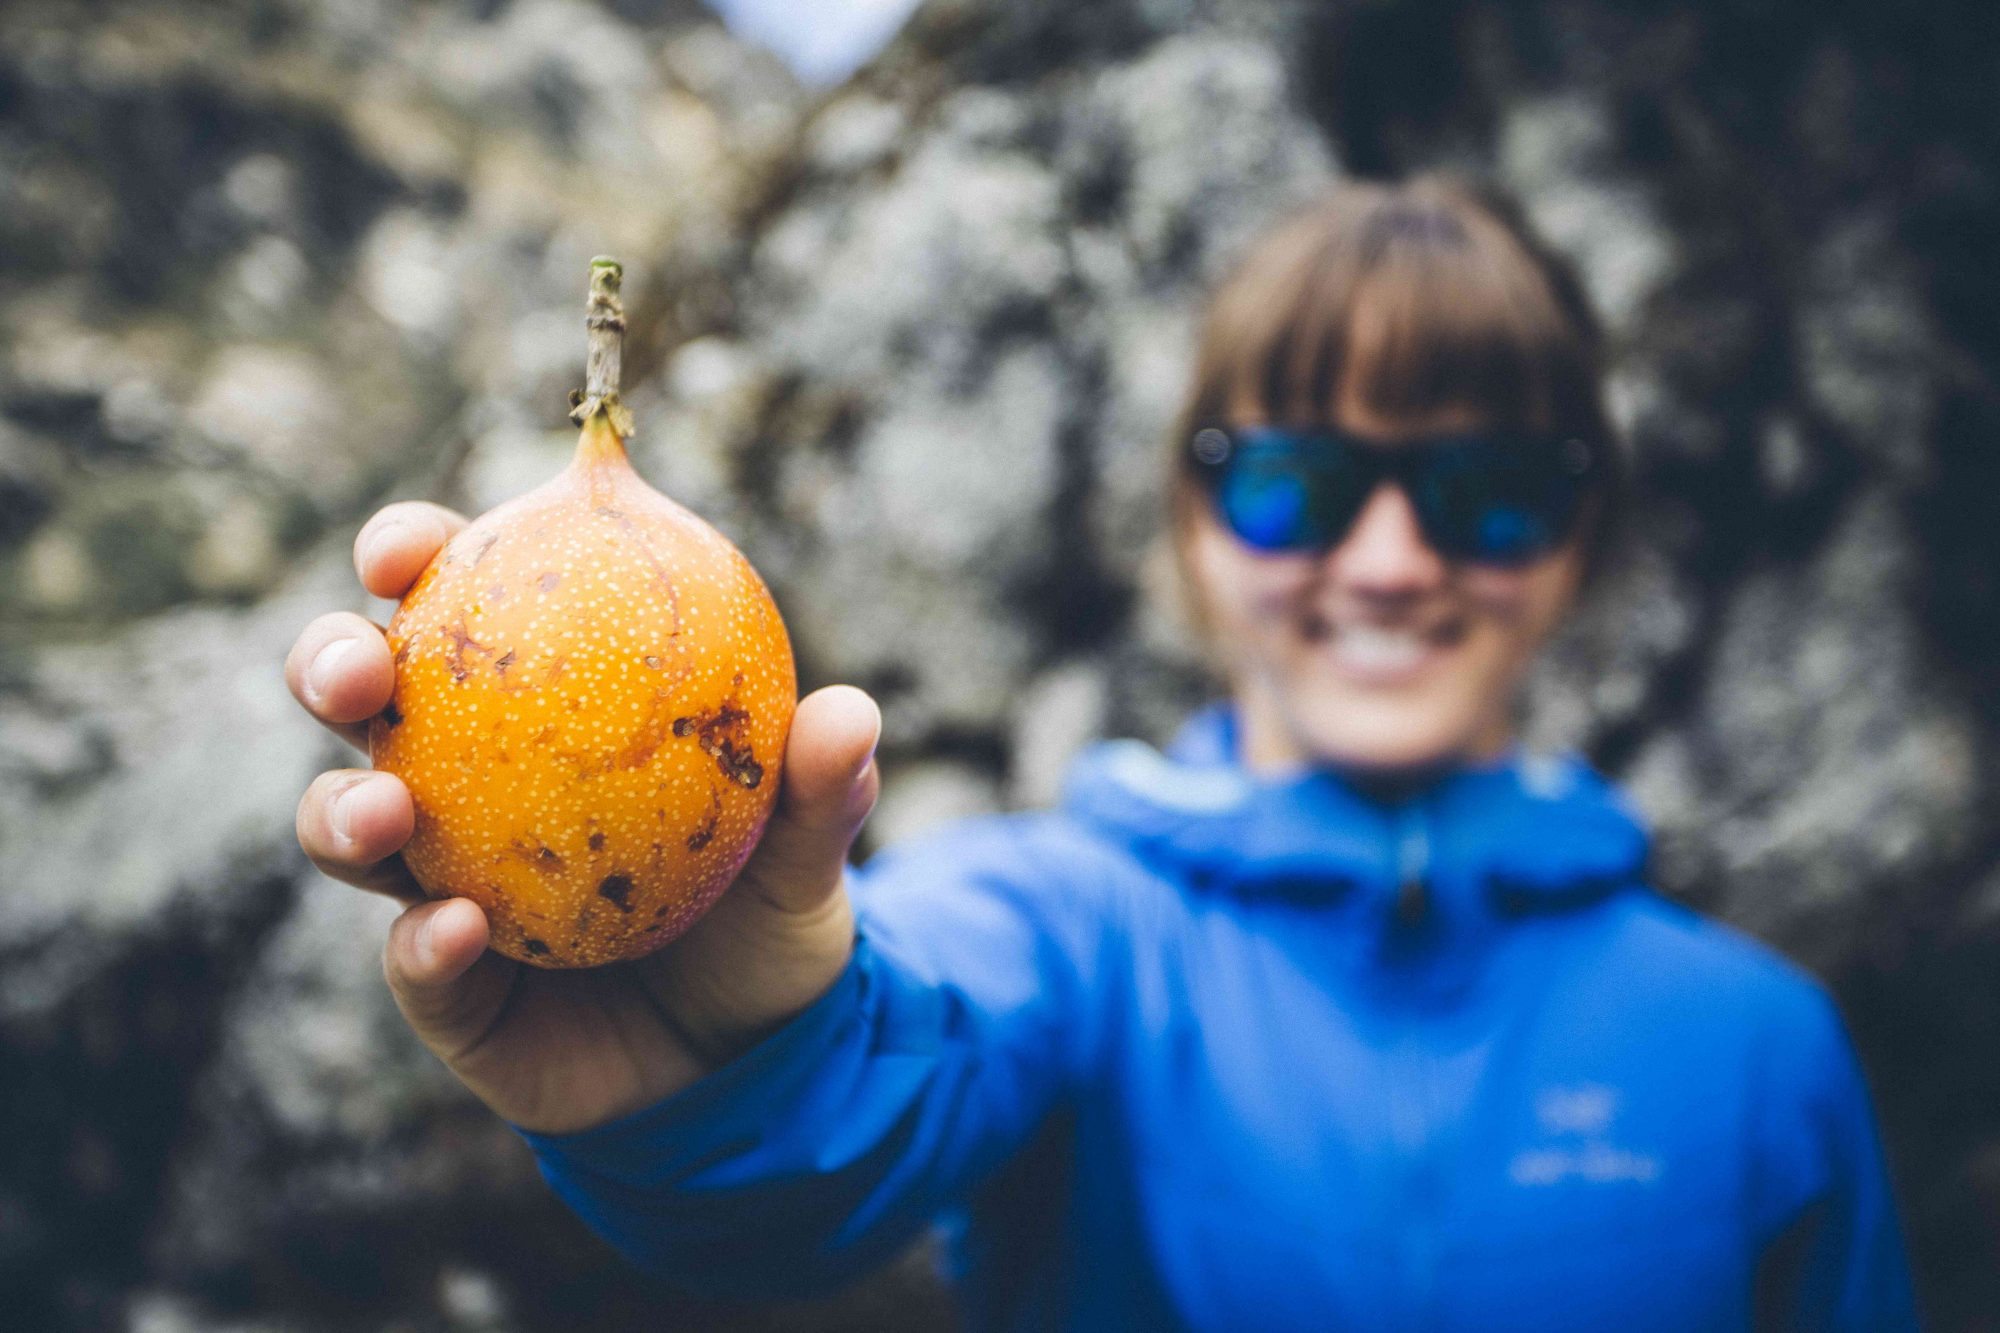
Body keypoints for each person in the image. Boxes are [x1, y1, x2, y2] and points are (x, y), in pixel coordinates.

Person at [285, 177, 1918, 1331]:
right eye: (1295, 484)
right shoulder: (1077, 932)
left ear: (1585, 540)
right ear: (1192, 528)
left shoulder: (1760, 1051)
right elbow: (881, 1083)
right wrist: (724, 1059)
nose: (1392, 560)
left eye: (1488, 491)